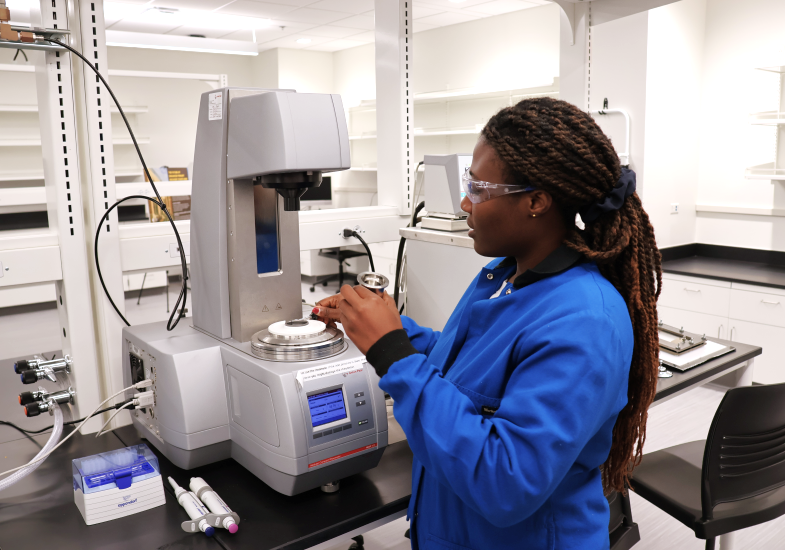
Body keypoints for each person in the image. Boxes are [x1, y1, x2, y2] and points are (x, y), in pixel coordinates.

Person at [313, 97, 662, 549]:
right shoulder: (506, 274)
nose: (464, 202)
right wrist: (394, 330)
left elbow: (506, 482)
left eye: (479, 189)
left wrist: (392, 353)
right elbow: (475, 365)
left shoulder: (585, 320)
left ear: (536, 201)